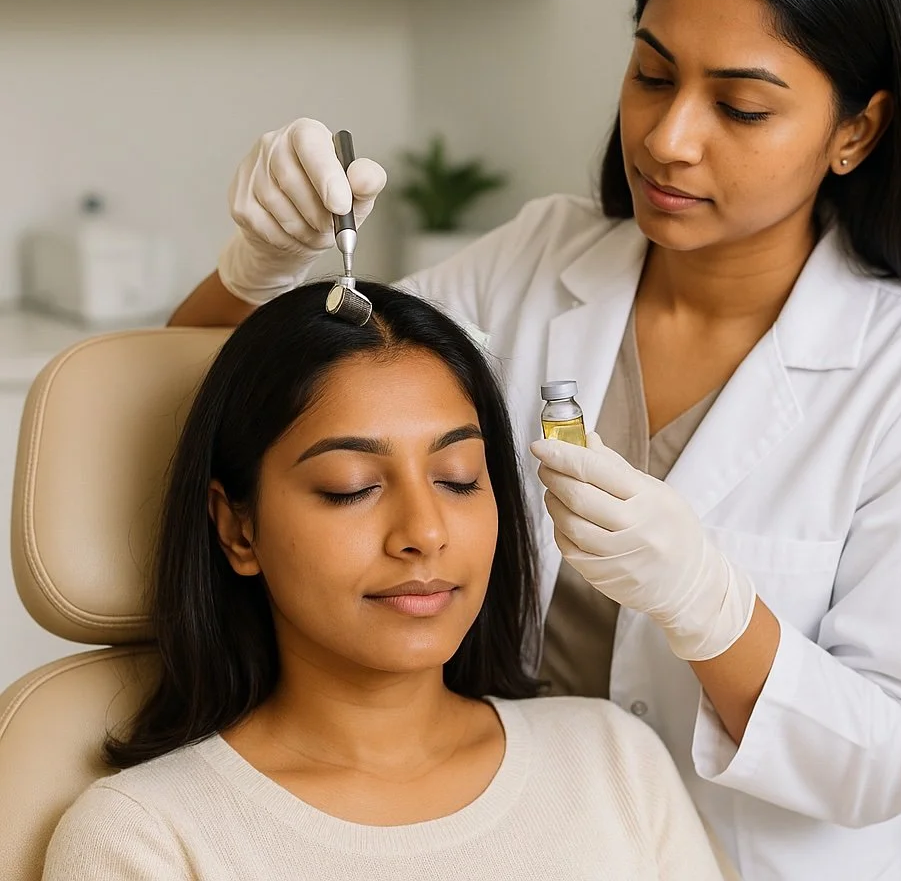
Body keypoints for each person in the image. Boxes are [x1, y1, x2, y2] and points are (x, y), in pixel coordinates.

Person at [168, 0, 901, 881]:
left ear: (856, 131)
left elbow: (886, 759)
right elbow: (216, 394)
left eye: (739, 107)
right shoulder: (541, 259)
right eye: (652, 75)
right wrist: (257, 266)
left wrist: (710, 606)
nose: (666, 137)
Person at [43, 281, 730, 881]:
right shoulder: (147, 838)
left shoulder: (611, 760)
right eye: (353, 487)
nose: (425, 531)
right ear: (238, 529)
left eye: (458, 478)